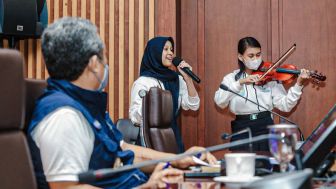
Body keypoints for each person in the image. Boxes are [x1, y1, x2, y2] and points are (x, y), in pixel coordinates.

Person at [27, 17, 217, 189]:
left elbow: (123, 149)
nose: (106, 63)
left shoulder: (86, 104)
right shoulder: (64, 116)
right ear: (94, 63)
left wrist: (178, 160)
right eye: (104, 56)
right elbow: (66, 188)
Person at [214, 36, 310, 151]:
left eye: (258, 54)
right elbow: (220, 102)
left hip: (266, 127)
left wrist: (298, 85)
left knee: (268, 166)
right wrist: (240, 82)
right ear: (240, 57)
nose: (256, 59)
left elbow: (285, 106)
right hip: (241, 129)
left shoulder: (270, 77)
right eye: (251, 56)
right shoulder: (231, 79)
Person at [129, 36, 200, 153]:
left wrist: (188, 79)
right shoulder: (143, 82)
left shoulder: (176, 79)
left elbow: (194, 105)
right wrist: (151, 107)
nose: (170, 53)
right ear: (154, 52)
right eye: (165, 49)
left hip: (172, 138)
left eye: (171, 49)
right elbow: (134, 118)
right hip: (150, 142)